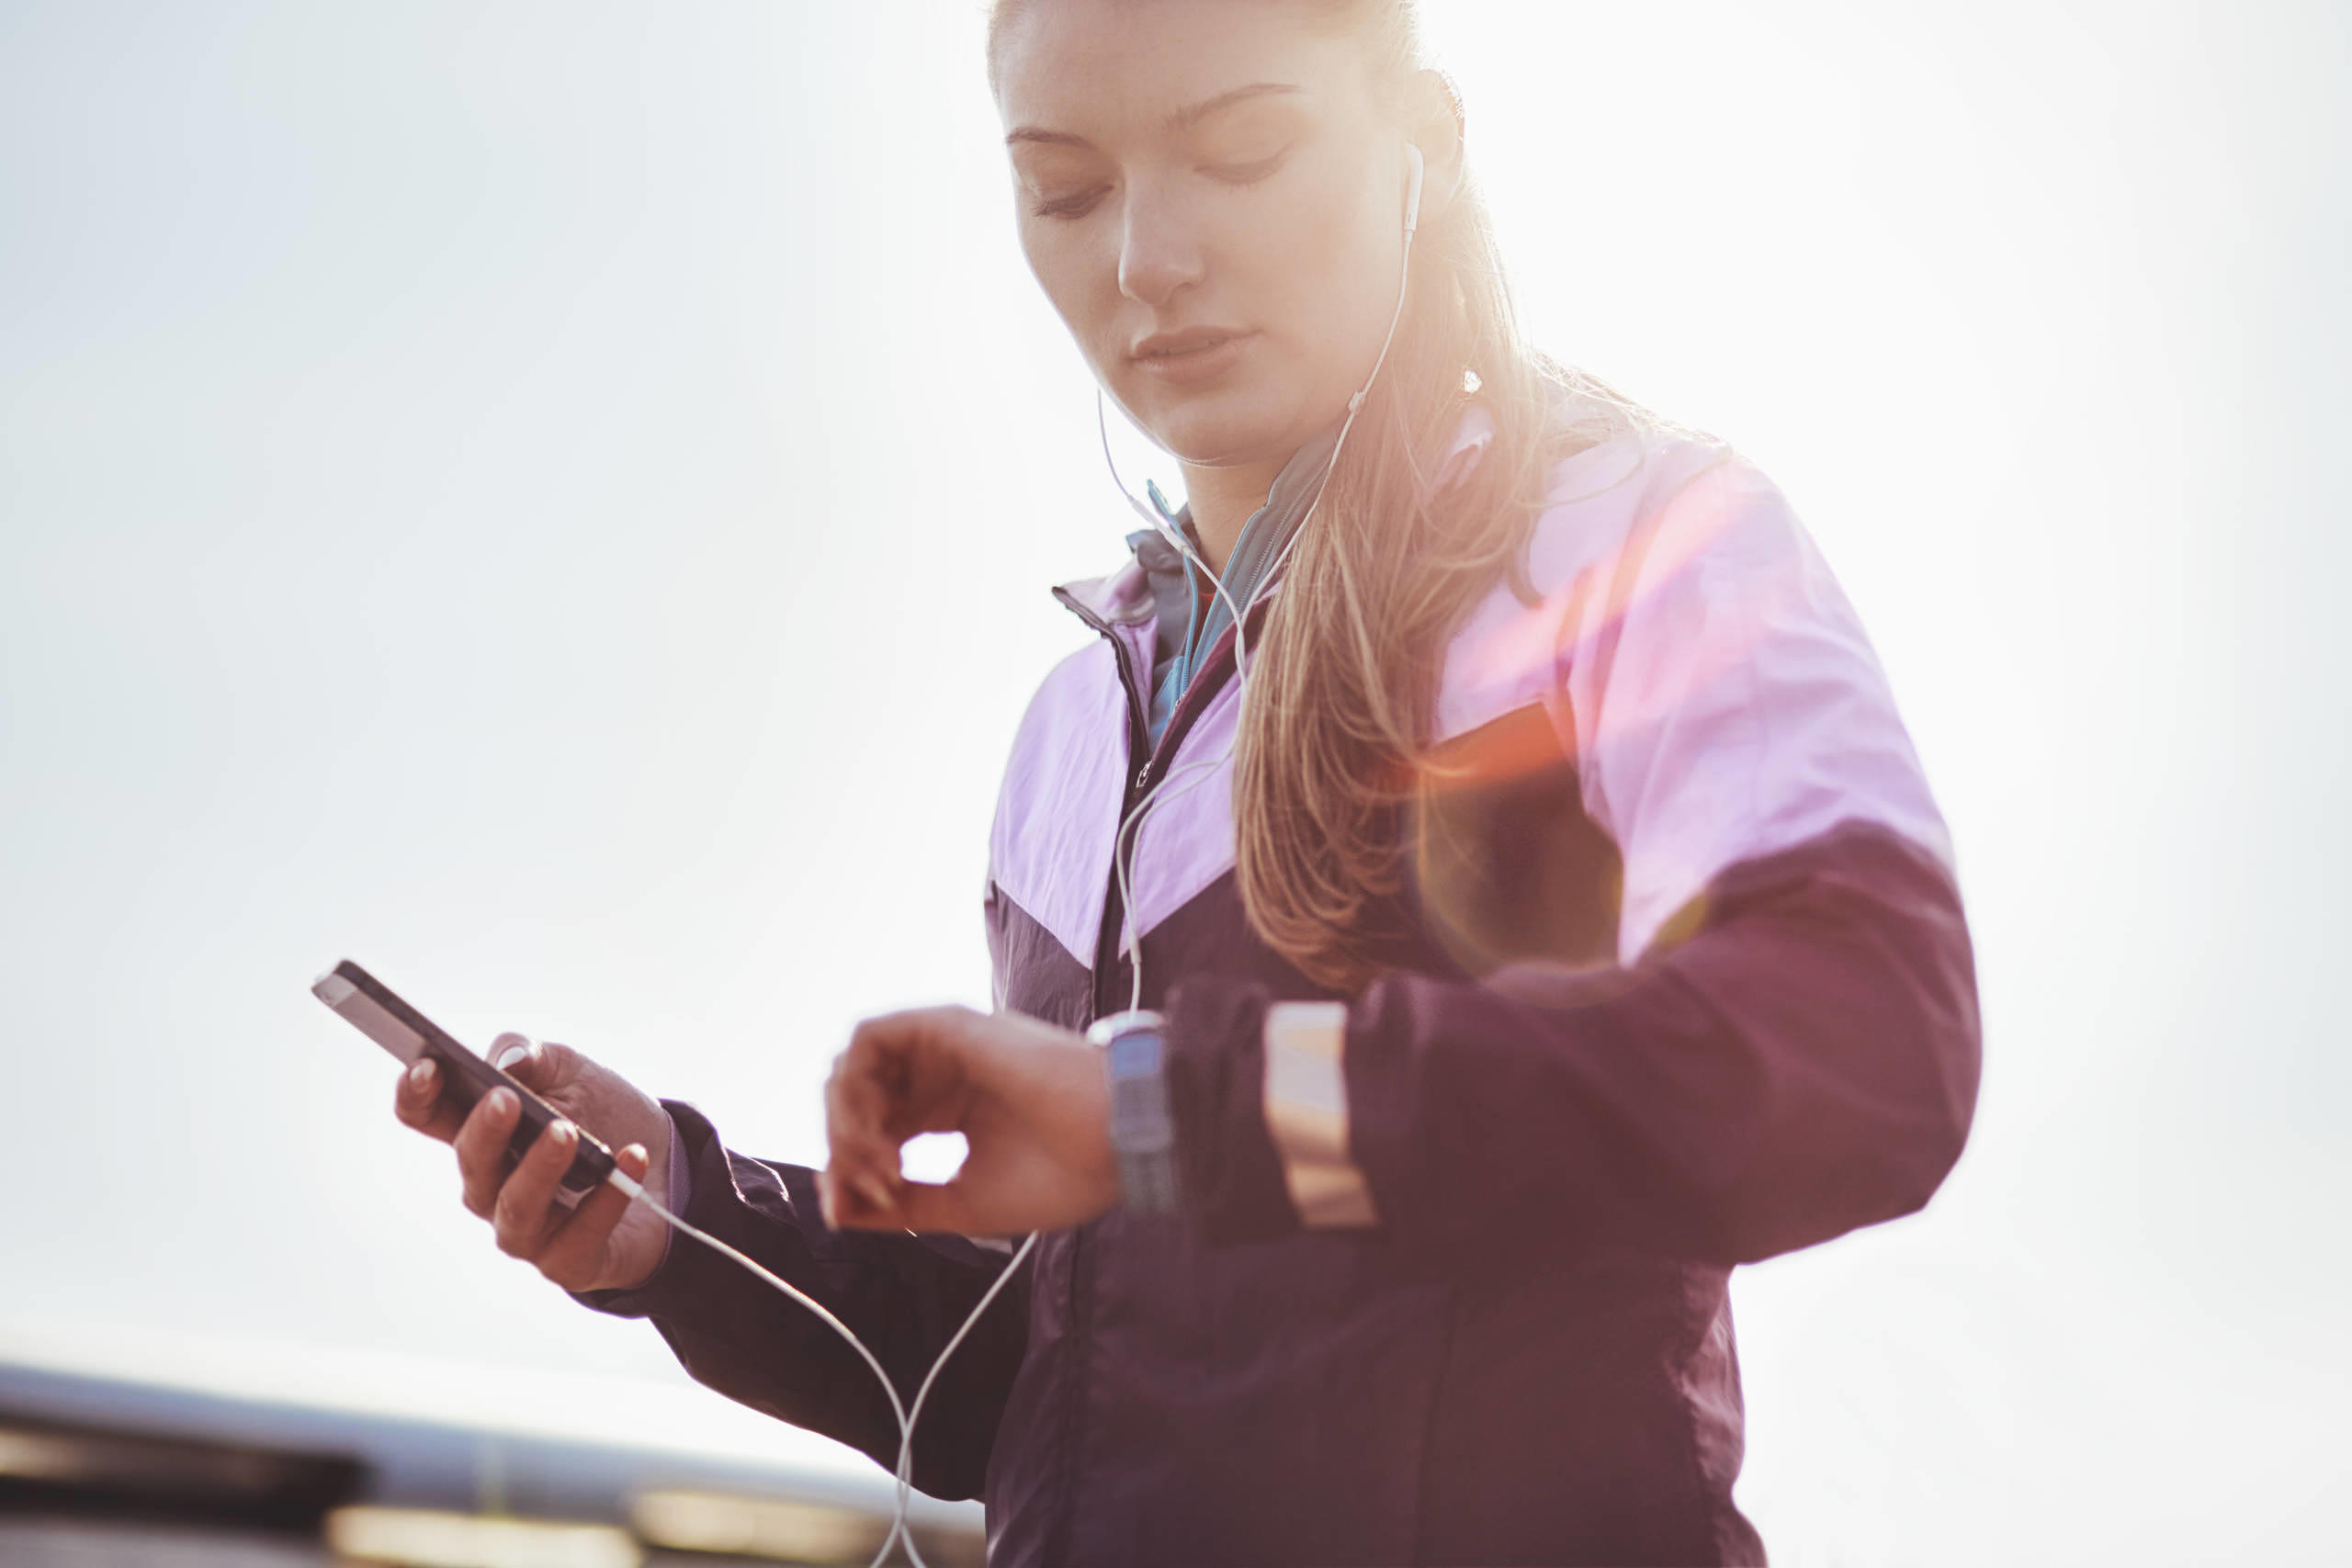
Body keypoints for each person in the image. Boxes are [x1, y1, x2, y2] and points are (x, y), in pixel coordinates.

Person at [391, 2, 1981, 1562]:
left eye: (1243, 151)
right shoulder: (1071, 728)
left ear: (1423, 139)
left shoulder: (1635, 541)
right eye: (1067, 190)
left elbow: (1867, 1046)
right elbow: (1036, 1370)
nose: (1145, 260)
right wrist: (680, 1222)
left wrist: (1184, 1111)